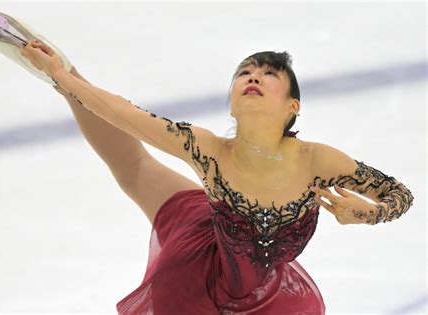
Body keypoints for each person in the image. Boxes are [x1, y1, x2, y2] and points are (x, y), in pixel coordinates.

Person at [21, 42, 415, 314]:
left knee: (136, 170)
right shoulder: (208, 150)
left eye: (269, 74)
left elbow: (399, 195)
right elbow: (128, 116)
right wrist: (65, 77)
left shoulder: (317, 161)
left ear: (293, 106)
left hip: (275, 302)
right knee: (134, 168)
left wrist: (364, 214)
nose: (253, 77)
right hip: (196, 272)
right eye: (245, 72)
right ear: (231, 101)